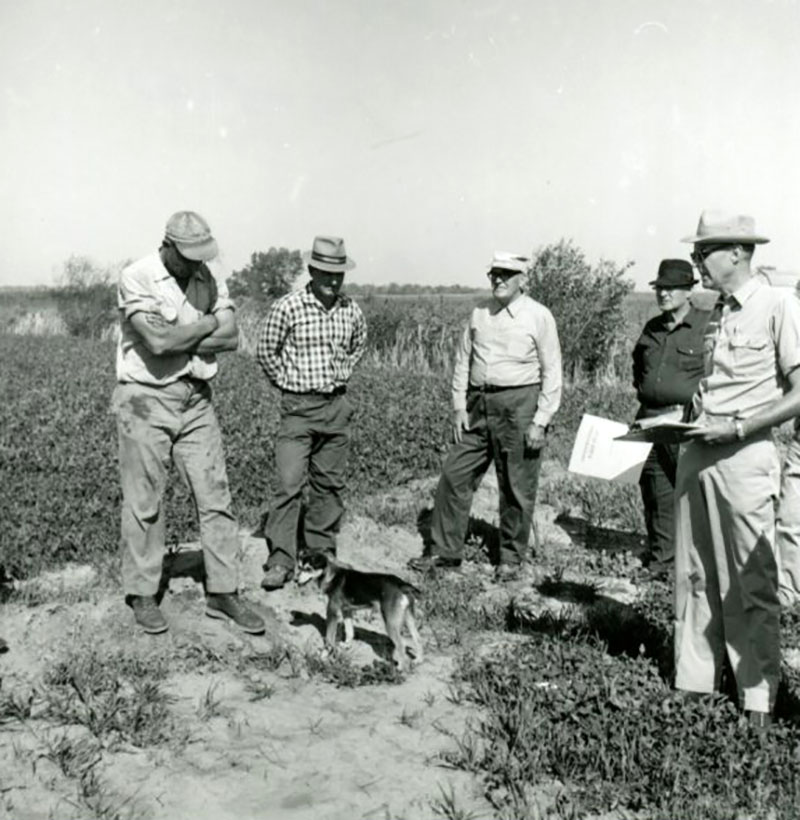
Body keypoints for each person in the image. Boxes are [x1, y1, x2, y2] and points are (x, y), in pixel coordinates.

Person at [674, 210, 800, 729]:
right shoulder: (717, 311)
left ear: (738, 253)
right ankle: (696, 683)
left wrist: (741, 427)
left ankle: (757, 698)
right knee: (695, 574)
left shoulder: (778, 306)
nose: (696, 261)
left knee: (751, 578)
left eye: (704, 252)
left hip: (745, 454)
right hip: (698, 451)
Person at [113, 211, 265, 635]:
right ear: (168, 246)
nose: (198, 263)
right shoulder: (137, 276)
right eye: (189, 256)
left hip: (197, 399)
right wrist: (208, 323)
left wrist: (192, 331)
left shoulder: (208, 277)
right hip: (144, 399)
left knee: (215, 495)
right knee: (145, 500)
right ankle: (143, 594)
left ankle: (223, 592)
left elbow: (232, 338)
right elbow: (157, 343)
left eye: (203, 255)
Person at [408, 251, 562, 580]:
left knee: (516, 486)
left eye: (507, 274)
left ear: (523, 279)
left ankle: (510, 559)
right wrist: (458, 406)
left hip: (519, 406)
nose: (499, 279)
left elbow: (553, 372)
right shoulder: (480, 313)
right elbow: (463, 361)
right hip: (478, 405)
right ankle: (444, 554)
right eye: (494, 273)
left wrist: (541, 420)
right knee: (454, 475)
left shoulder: (538, 316)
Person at [257, 236, 367, 591]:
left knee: (329, 485)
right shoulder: (288, 306)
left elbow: (357, 345)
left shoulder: (350, 309)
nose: (332, 281)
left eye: (338, 274)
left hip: (336, 406)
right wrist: (289, 383)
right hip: (299, 408)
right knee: (289, 484)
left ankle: (320, 553)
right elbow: (266, 351)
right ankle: (281, 559)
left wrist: (341, 374)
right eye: (325, 273)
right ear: (311, 270)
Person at [632, 259, 709, 579]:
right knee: (655, 490)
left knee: (695, 493)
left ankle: (700, 563)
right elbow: (639, 369)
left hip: (686, 425)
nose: (663, 294)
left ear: (689, 291)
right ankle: (661, 562)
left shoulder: (706, 326)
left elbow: (716, 376)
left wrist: (690, 410)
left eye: (671, 288)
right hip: (651, 422)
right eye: (659, 288)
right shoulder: (652, 328)